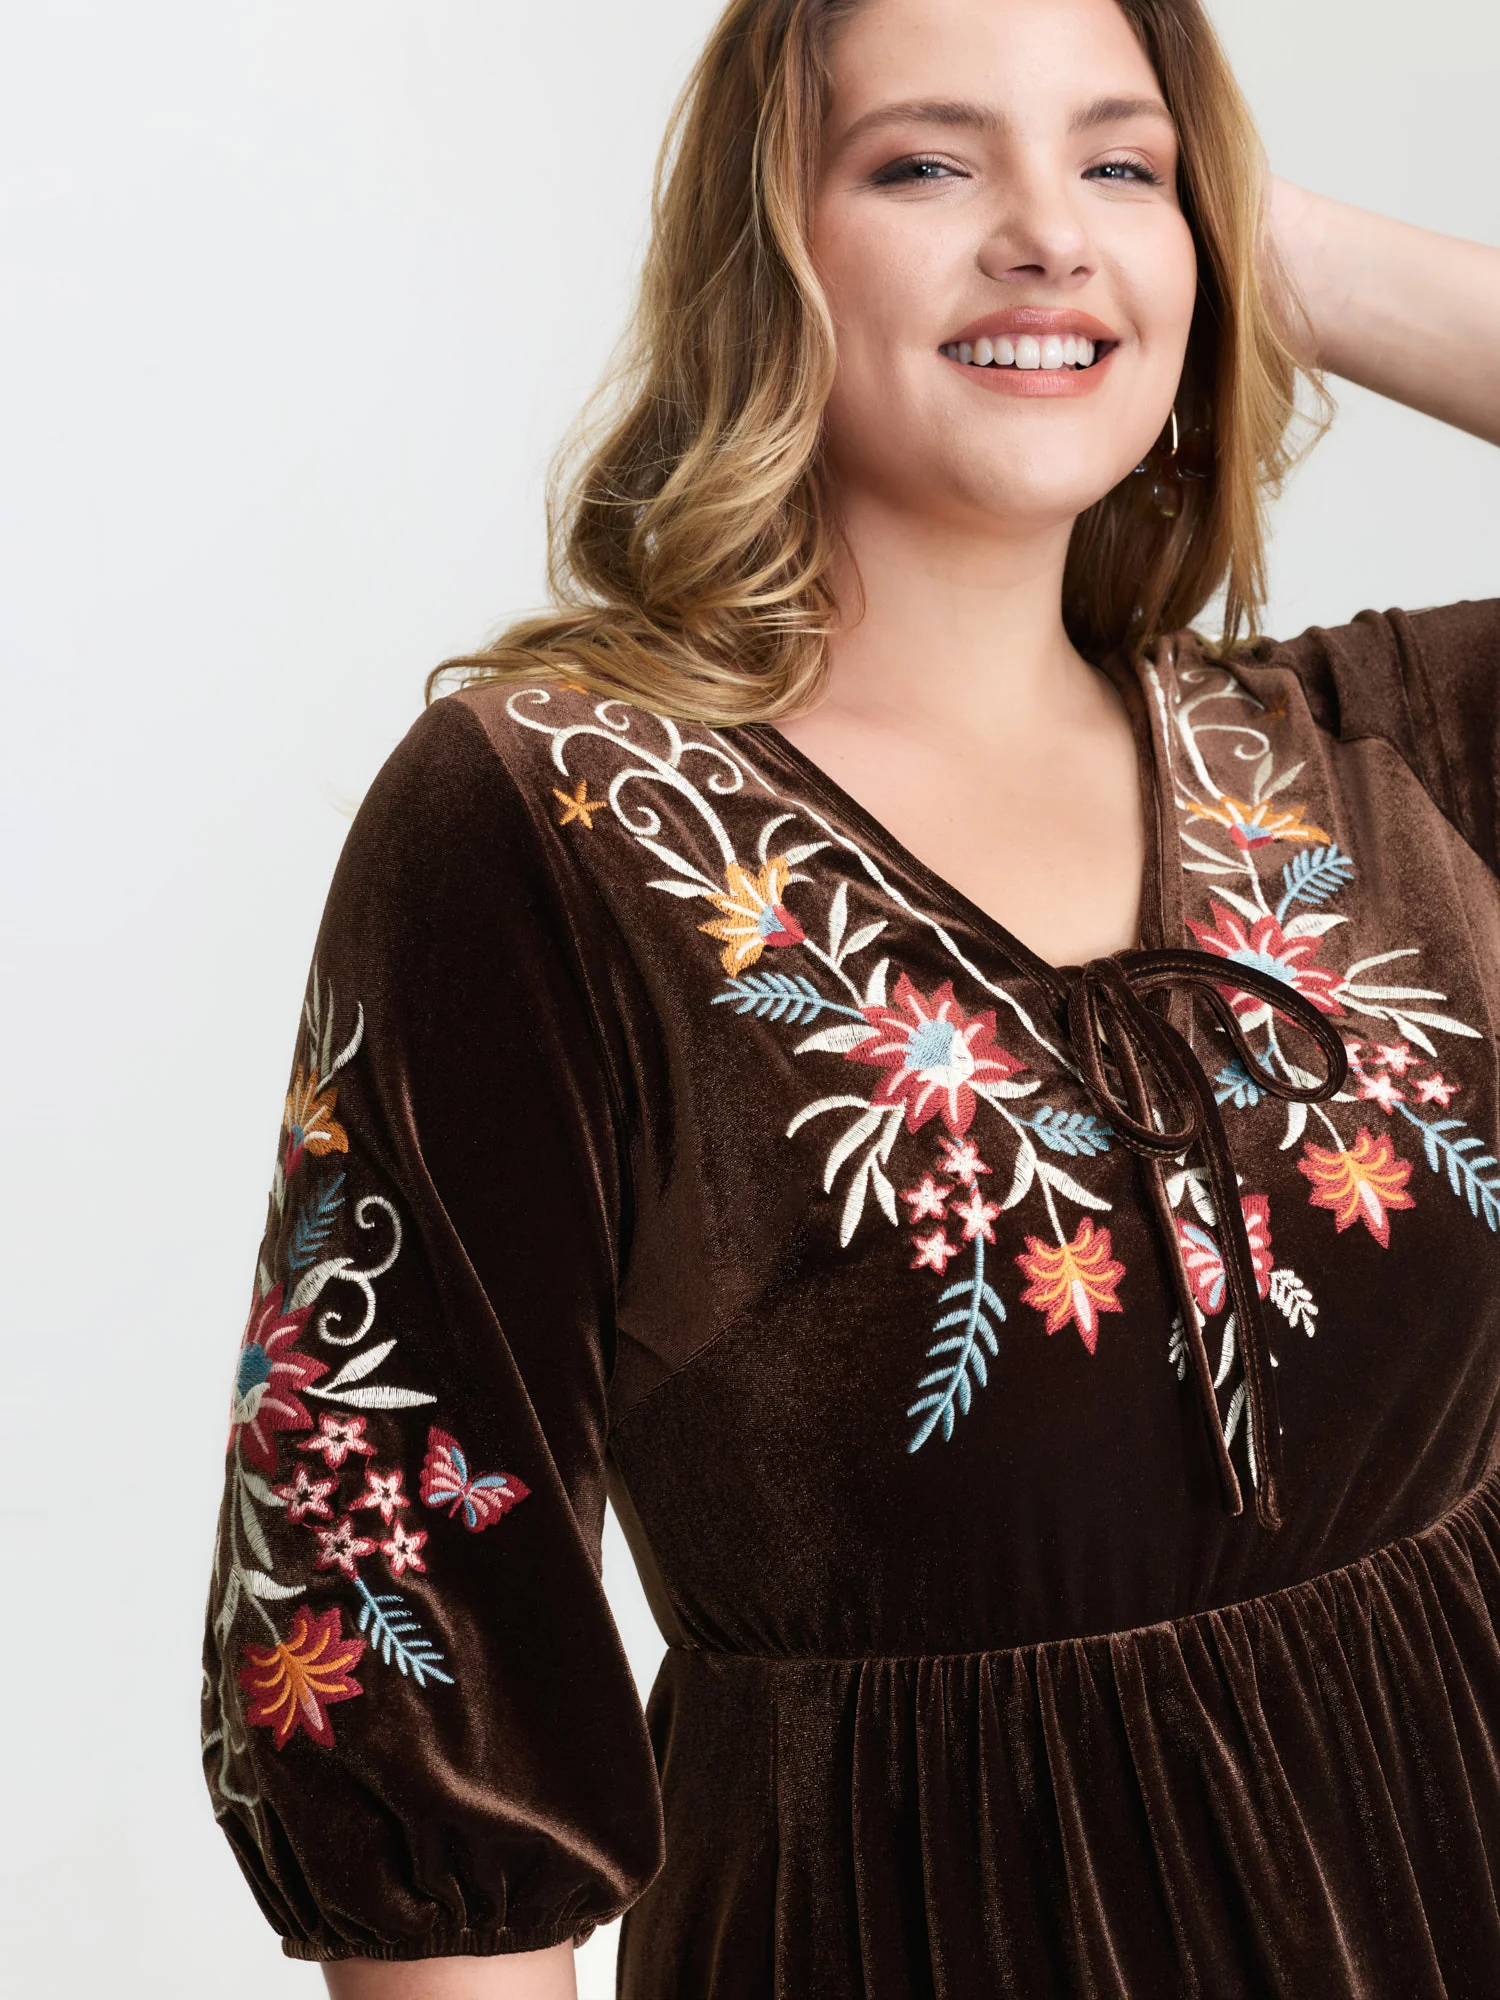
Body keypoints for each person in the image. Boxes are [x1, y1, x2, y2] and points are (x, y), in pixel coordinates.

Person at [197, 0, 1500, 1991]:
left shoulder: (1380, 757)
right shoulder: (565, 820)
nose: (1045, 232)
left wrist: (1259, 242)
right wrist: (1121, 204)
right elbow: (410, 1601)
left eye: (1121, 162)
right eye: (927, 163)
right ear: (767, 255)